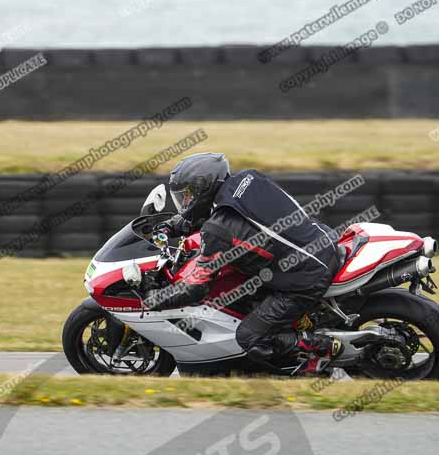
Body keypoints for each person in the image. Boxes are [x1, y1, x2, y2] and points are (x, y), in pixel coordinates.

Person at [143, 152, 342, 374]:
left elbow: (196, 289)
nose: (185, 202)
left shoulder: (217, 230)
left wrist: (154, 298)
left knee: (249, 337)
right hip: (322, 241)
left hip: (307, 276)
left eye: (188, 195)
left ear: (204, 188)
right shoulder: (248, 180)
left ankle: (323, 347)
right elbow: (215, 214)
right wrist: (170, 226)